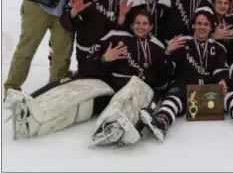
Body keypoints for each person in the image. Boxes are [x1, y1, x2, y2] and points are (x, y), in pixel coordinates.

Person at [6, 10, 173, 147]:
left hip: (134, 92)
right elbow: (86, 69)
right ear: (131, 25)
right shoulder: (116, 37)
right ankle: (36, 114)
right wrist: (105, 59)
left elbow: (161, 83)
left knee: (134, 86)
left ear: (151, 26)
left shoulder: (158, 48)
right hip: (109, 87)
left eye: (145, 24)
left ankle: (113, 127)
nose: (141, 27)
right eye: (138, 23)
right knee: (79, 92)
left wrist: (165, 57)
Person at [140, 8, 233, 141]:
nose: (202, 27)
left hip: (208, 95)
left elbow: (220, 69)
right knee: (173, 98)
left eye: (206, 24)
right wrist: (168, 52)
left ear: (211, 27)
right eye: (199, 24)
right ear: (194, 26)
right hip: (185, 93)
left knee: (231, 95)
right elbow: (164, 70)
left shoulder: (218, 47)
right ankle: (161, 122)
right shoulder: (182, 43)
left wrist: (222, 81)